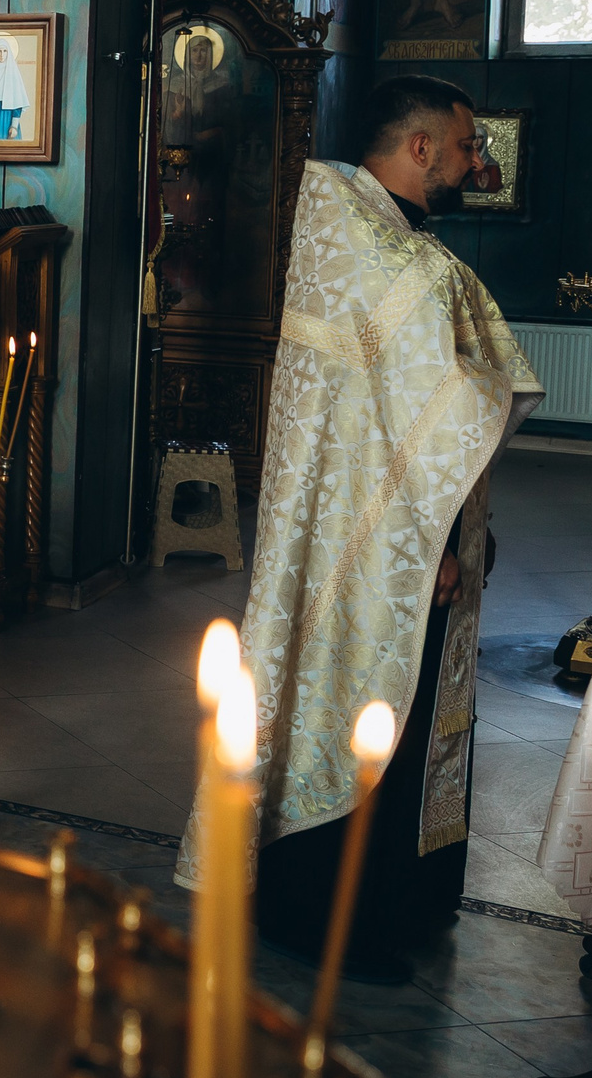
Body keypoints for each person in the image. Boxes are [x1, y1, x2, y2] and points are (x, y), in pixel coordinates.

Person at [190, 75, 541, 984]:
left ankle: (364, 904)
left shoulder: (337, 226)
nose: (477, 164)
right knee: (373, 708)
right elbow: (450, 406)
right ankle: (340, 921)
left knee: (332, 694)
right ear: (420, 147)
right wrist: (431, 549)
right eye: (465, 147)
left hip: (343, 522)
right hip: (392, 537)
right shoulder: (405, 263)